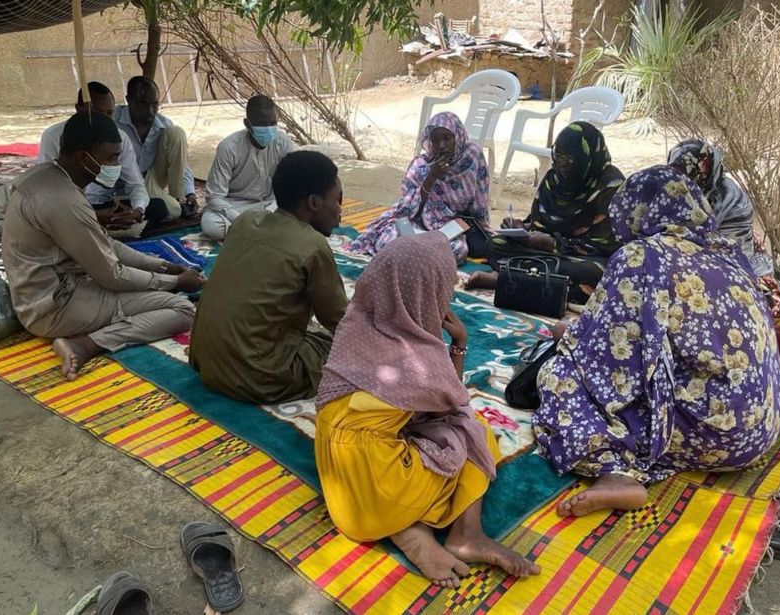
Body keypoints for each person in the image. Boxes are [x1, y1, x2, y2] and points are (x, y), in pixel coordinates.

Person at [533, 166, 780, 518]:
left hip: (713, 434)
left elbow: (611, 360)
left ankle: (616, 472)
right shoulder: (731, 255)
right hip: (763, 428)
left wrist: (570, 335)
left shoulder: (641, 256)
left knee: (561, 374)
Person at [315, 232, 540, 587]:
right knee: (472, 429)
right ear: (423, 293)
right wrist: (460, 344)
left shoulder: (355, 325)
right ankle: (466, 534)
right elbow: (452, 403)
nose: (445, 297)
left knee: (406, 427)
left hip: (341, 489)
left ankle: (407, 530)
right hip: (382, 492)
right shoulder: (416, 357)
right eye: (443, 288)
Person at [2, 112, 205, 380]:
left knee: (161, 291)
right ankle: (85, 344)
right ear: (83, 157)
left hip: (48, 293)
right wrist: (176, 282)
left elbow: (105, 243)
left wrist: (165, 266)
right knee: (183, 309)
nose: (116, 165)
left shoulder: (49, 176)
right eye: (110, 158)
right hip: (53, 308)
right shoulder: (63, 201)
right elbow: (112, 275)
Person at [189, 151, 346, 403]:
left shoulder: (246, 220)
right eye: (337, 199)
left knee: (309, 331)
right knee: (345, 350)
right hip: (258, 378)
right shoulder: (312, 244)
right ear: (314, 203)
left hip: (206, 362)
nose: (340, 210)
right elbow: (339, 321)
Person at [467, 121, 624, 304]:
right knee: (496, 244)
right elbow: (538, 222)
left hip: (583, 257)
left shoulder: (611, 186)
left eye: (570, 159)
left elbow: (607, 245)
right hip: (543, 253)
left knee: (592, 273)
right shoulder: (553, 179)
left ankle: (506, 278)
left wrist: (553, 244)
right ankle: (527, 278)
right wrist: (521, 227)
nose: (563, 165)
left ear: (587, 159)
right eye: (559, 156)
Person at [667, 139, 780, 318]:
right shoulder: (679, 192)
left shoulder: (724, 196)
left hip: (738, 268)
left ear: (706, 170)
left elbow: (699, 241)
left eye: (692, 174)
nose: (684, 181)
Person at [349, 111, 490, 264]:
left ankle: (411, 256)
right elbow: (407, 207)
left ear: (458, 136)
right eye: (435, 140)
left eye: (447, 138)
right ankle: (418, 256)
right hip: (416, 222)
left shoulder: (471, 157)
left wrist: (483, 232)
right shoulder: (421, 166)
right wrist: (431, 177)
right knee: (388, 239)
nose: (441, 145)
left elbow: (479, 201)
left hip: (447, 226)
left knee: (458, 250)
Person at [38, 81, 155, 238]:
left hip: (106, 206)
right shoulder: (54, 137)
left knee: (157, 208)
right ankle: (95, 228)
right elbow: (47, 193)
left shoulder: (119, 137)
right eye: (99, 113)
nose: (105, 120)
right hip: (69, 208)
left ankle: (99, 228)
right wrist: (91, 215)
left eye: (110, 114)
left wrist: (137, 211)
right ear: (79, 109)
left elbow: (136, 185)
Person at [201, 95, 295, 240]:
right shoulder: (229, 147)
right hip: (236, 207)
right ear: (247, 124)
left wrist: (272, 210)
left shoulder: (282, 142)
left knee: (302, 210)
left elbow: (295, 182)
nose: (268, 129)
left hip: (270, 205)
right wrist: (240, 220)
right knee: (211, 224)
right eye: (261, 124)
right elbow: (214, 196)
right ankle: (266, 232)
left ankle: (250, 233)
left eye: (272, 123)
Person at [114, 76, 198, 222]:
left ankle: (178, 199)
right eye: (142, 103)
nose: (150, 111)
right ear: (128, 100)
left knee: (176, 133)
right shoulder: (114, 121)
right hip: (120, 184)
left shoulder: (164, 124)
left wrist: (190, 193)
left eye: (155, 105)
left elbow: (181, 163)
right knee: (170, 211)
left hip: (150, 180)